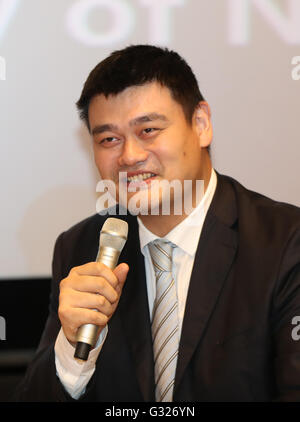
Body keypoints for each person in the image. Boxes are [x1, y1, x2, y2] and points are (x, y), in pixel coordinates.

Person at [15, 44, 300, 402]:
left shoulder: (286, 243)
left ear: (201, 125)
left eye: (148, 129)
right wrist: (71, 346)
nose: (130, 156)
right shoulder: (82, 247)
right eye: (109, 139)